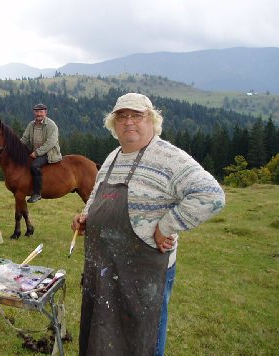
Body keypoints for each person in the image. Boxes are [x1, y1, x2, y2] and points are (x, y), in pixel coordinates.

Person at [71, 93, 225, 356]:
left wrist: (166, 227)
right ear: (113, 123)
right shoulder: (112, 158)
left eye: (137, 115)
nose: (128, 121)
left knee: (145, 336)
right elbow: (97, 195)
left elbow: (212, 195)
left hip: (146, 272)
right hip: (107, 268)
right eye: (122, 116)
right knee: (107, 332)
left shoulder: (169, 158)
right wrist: (87, 216)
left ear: (152, 120)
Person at [21, 103, 62, 203]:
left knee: (34, 165)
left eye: (41, 112)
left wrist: (37, 153)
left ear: (45, 112)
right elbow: (25, 139)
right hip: (35, 152)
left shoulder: (51, 125)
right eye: (37, 112)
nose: (39, 114)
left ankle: (37, 193)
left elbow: (50, 143)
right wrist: (15, 147)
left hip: (49, 153)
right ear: (34, 112)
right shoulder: (31, 125)